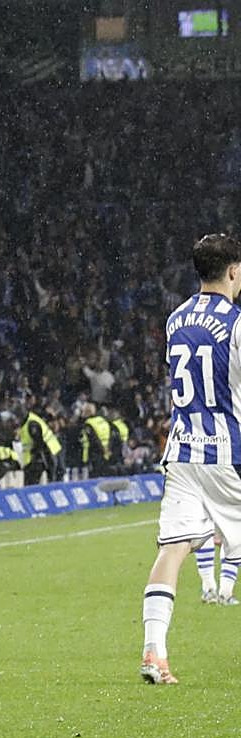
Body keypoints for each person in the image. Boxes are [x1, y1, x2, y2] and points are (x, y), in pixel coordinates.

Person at [141, 234, 241, 685]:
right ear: (234, 271)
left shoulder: (176, 318)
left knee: (173, 548)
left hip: (181, 450)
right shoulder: (235, 323)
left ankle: (154, 650)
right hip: (226, 451)